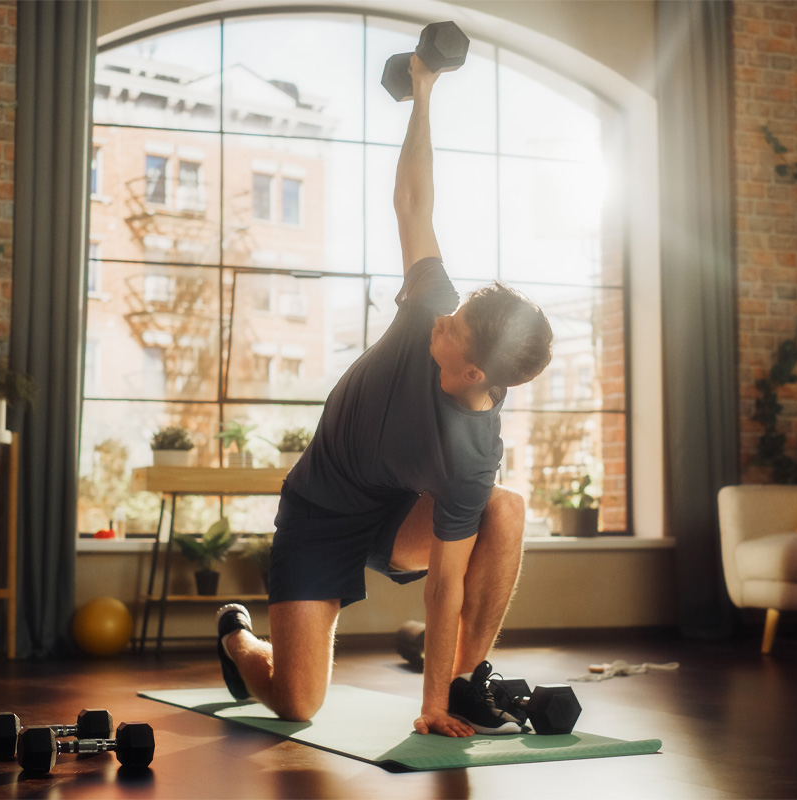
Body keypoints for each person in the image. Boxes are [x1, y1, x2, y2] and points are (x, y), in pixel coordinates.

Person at [216, 52, 554, 738]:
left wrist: (431, 702)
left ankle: (463, 689)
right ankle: (236, 641)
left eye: (455, 330)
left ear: (473, 377)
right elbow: (413, 201)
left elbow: (445, 584)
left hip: (399, 515)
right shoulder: (427, 305)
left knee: (508, 511)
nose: (442, 318)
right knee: (297, 702)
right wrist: (423, 95)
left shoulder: (472, 458)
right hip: (320, 509)